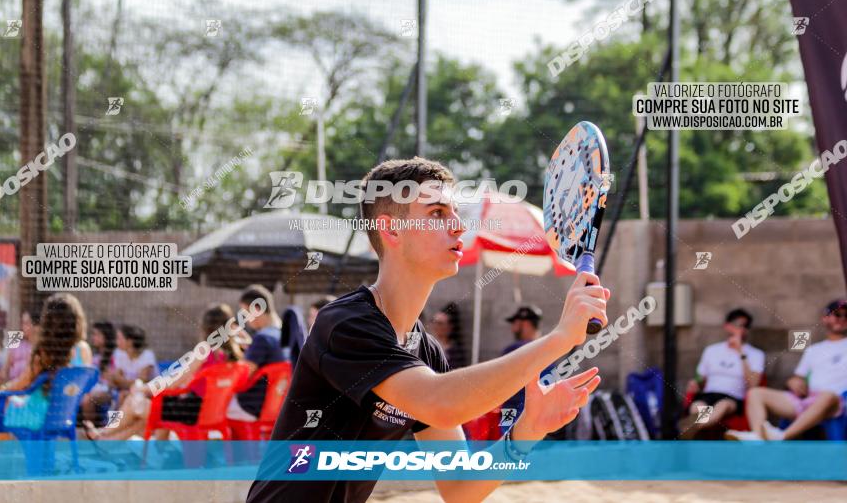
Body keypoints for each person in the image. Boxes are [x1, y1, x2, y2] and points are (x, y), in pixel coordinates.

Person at [246, 157, 608, 503]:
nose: (457, 225)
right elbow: (441, 404)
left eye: (454, 212)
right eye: (436, 213)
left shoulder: (426, 351)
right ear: (391, 229)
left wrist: (525, 432)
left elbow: (459, 488)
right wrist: (561, 338)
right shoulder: (345, 323)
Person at [87, 304, 244, 440]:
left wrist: (143, 388)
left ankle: (105, 432)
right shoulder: (234, 357)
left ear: (204, 327)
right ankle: (105, 441)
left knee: (135, 400)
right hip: (213, 412)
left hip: (192, 413)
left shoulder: (204, 351)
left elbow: (172, 383)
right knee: (141, 415)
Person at [0, 293, 85, 439]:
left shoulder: (44, 352)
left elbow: (20, 385)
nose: (23, 326)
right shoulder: (82, 350)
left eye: (27, 322)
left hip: (35, 416)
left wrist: (2, 390)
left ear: (42, 323)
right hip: (62, 416)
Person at [728, 299, 847, 441]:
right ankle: (758, 437)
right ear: (825, 318)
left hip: (837, 402)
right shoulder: (813, 350)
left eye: (846, 316)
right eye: (838, 314)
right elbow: (798, 377)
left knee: (827, 395)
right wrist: (794, 382)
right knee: (755, 393)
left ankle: (782, 436)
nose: (843, 319)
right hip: (808, 401)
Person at [681, 308, 764, 439]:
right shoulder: (711, 350)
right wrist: (695, 383)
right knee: (697, 406)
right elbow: (700, 377)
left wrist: (741, 353)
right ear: (727, 326)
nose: (742, 330)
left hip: (733, 397)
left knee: (723, 405)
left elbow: (753, 384)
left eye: (746, 326)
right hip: (709, 394)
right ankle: (695, 427)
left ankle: (690, 428)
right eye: (739, 325)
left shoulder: (755, 354)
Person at [227, 285, 287, 422]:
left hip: (251, 406)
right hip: (278, 408)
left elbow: (242, 377)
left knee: (206, 407)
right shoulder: (284, 336)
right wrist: (250, 346)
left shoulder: (262, 339)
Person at [499, 305, 548, 417]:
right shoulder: (548, 350)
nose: (512, 328)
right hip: (540, 414)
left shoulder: (512, 350)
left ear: (525, 324)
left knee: (507, 434)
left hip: (512, 411)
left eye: (514, 323)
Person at [106, 324, 157, 404]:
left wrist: (122, 383)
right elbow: (115, 378)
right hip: (126, 391)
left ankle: (118, 417)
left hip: (148, 394)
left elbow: (141, 382)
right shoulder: (118, 353)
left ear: (129, 342)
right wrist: (131, 383)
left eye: (119, 338)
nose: (116, 342)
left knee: (123, 396)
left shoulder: (147, 355)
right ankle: (117, 416)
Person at [80, 321, 118, 424]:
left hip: (112, 390)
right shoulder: (95, 357)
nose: (93, 337)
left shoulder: (116, 356)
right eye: (93, 334)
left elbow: (115, 379)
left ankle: (92, 429)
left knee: (87, 400)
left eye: (96, 334)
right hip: (95, 388)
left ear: (106, 337)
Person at [429, 302, 466, 369]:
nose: (435, 326)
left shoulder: (454, 352)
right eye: (433, 321)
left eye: (439, 323)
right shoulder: (426, 342)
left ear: (449, 327)